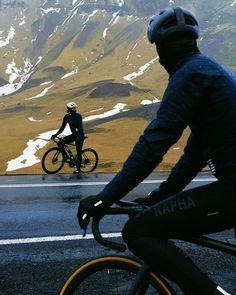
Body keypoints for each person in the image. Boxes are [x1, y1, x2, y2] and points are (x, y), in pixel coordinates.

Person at [77, 7, 236, 295]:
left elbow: (154, 144)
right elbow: (193, 157)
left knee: (139, 231)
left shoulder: (188, 75)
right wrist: (159, 197)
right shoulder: (209, 72)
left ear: (160, 52)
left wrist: (104, 198)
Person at [51, 102, 85, 174]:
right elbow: (62, 127)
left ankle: (78, 169)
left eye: (74, 108)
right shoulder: (66, 117)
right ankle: (66, 156)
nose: (74, 109)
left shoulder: (78, 116)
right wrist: (56, 134)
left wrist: (79, 137)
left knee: (79, 152)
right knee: (60, 142)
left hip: (80, 135)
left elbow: (80, 127)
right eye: (72, 109)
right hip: (74, 135)